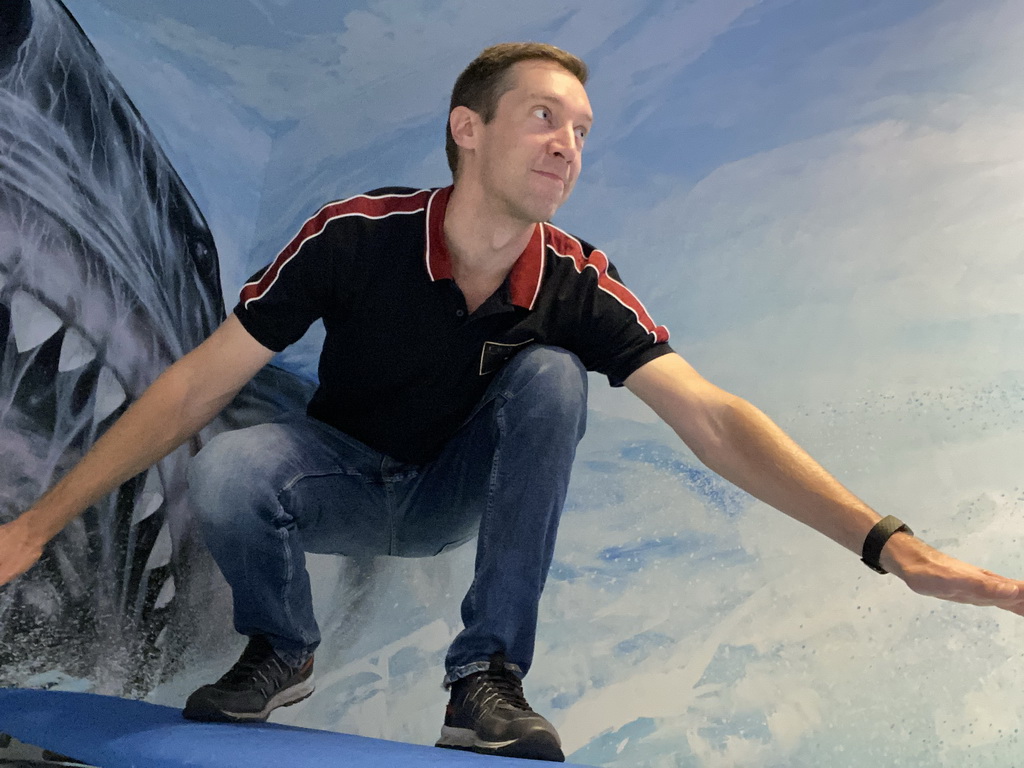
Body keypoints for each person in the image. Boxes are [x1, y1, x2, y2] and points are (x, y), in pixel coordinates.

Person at [1, 42, 1022, 763]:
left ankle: (484, 678)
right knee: (228, 458)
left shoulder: (577, 280)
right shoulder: (353, 236)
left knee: (550, 373)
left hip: (449, 494)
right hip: (337, 482)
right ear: (466, 130)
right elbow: (193, 384)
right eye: (543, 116)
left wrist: (894, 547)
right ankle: (280, 647)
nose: (567, 144)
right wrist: (41, 523)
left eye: (580, 129)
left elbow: (710, 418)